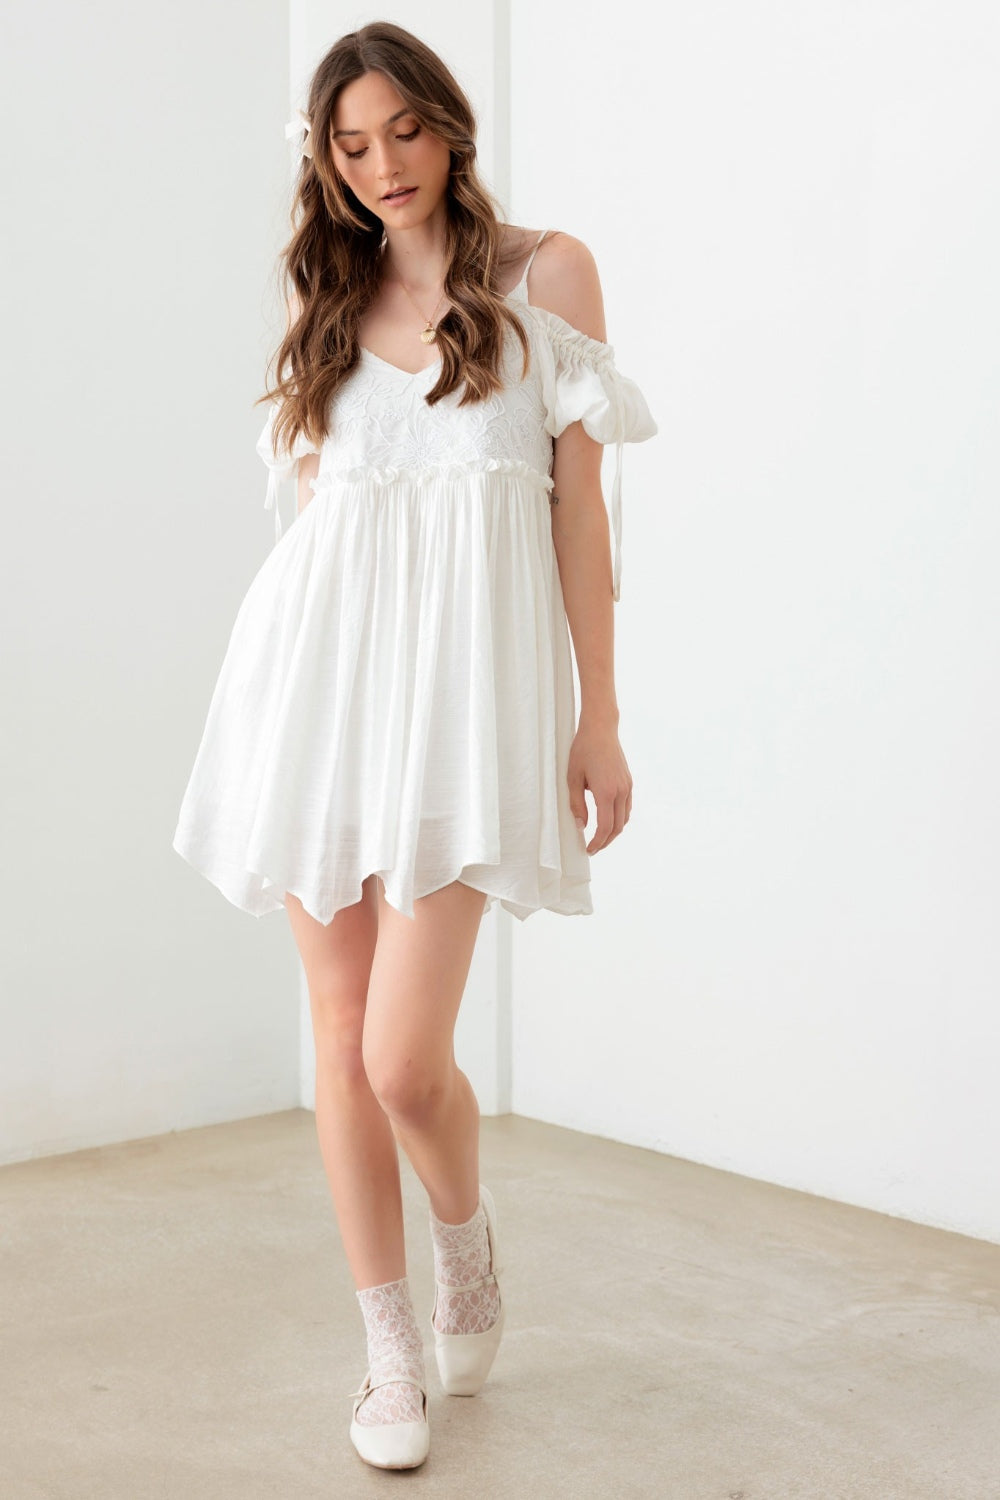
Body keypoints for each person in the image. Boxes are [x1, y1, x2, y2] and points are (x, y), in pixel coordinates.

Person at [172, 20, 656, 1473]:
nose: (383, 165)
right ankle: (386, 1350)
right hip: (318, 688)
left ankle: (466, 1241)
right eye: (352, 143)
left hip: (462, 711)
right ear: (326, 162)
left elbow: (580, 519)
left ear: (452, 124)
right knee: (335, 1036)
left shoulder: (544, 277)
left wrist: (601, 714)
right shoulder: (326, 298)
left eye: (405, 130)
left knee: (403, 1058)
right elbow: (330, 527)